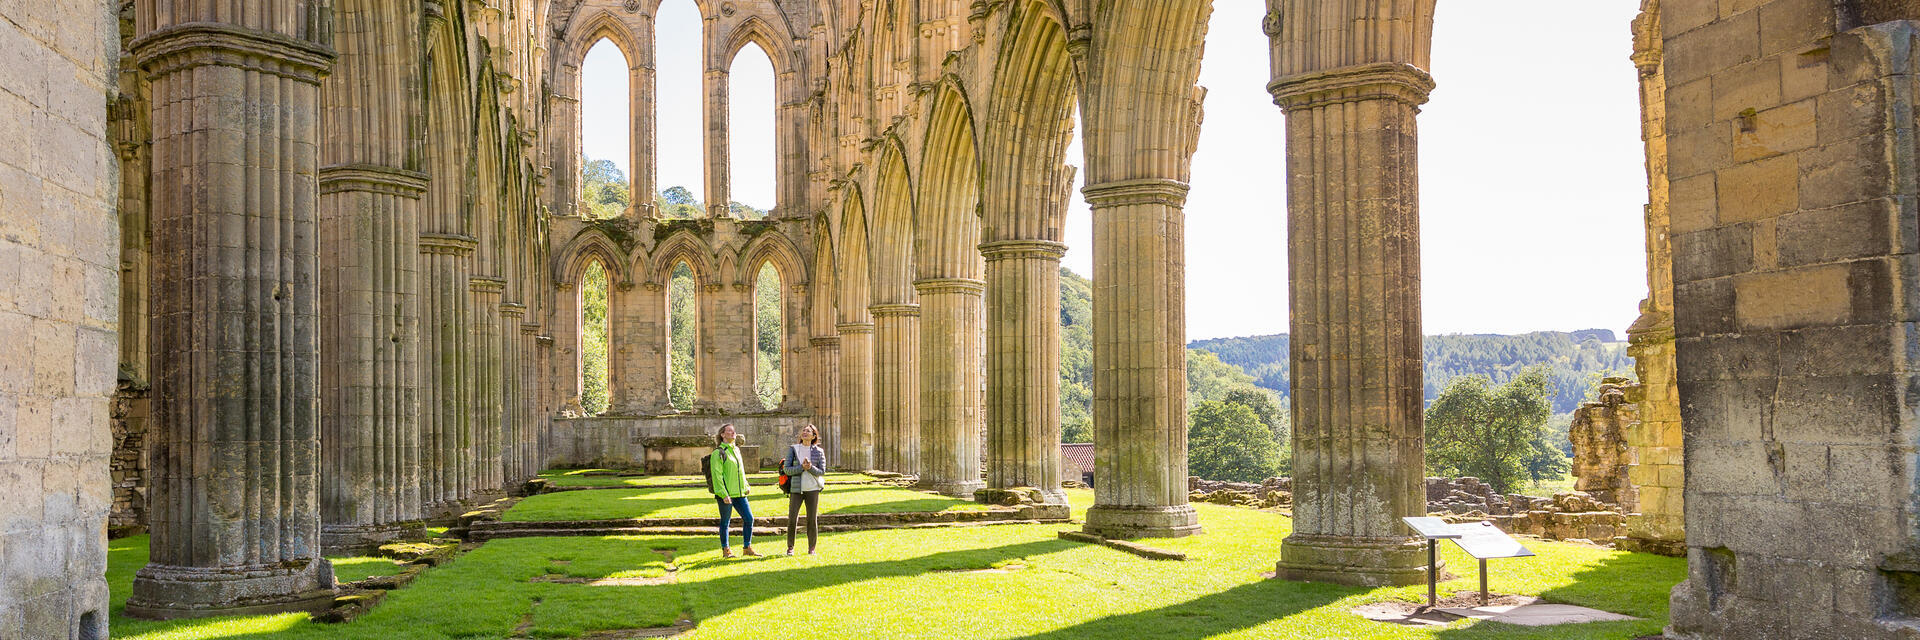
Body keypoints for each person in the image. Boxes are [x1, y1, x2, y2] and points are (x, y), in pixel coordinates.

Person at [707, 423, 758, 557]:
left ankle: (747, 548)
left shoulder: (736, 450)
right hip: (726, 494)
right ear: (722, 435)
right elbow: (716, 476)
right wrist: (723, 494)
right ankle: (726, 550)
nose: (732, 433)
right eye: (729, 431)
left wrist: (746, 486)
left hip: (740, 493)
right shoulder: (718, 453)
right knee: (725, 522)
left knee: (749, 518)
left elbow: (741, 471)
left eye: (733, 431)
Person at [781, 424, 828, 555]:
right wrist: (802, 468)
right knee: (792, 519)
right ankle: (790, 548)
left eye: (808, 431)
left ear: (814, 436)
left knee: (812, 520)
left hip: (812, 489)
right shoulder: (794, 449)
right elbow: (787, 469)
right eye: (803, 431)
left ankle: (811, 548)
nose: (805, 432)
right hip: (796, 489)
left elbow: (822, 471)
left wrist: (810, 467)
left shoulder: (819, 451)